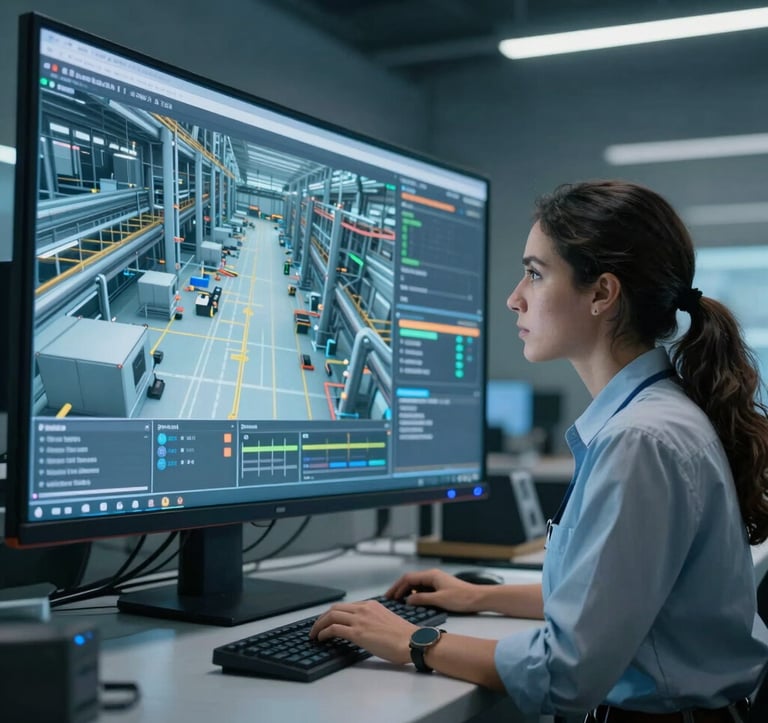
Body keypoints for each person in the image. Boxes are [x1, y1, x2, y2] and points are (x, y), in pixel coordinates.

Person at [310, 180, 768, 722]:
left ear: (601, 294)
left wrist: (412, 640)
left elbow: (566, 673)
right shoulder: (651, 417)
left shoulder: (640, 440)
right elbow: (614, 598)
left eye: (534, 273)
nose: (514, 298)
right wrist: (478, 597)